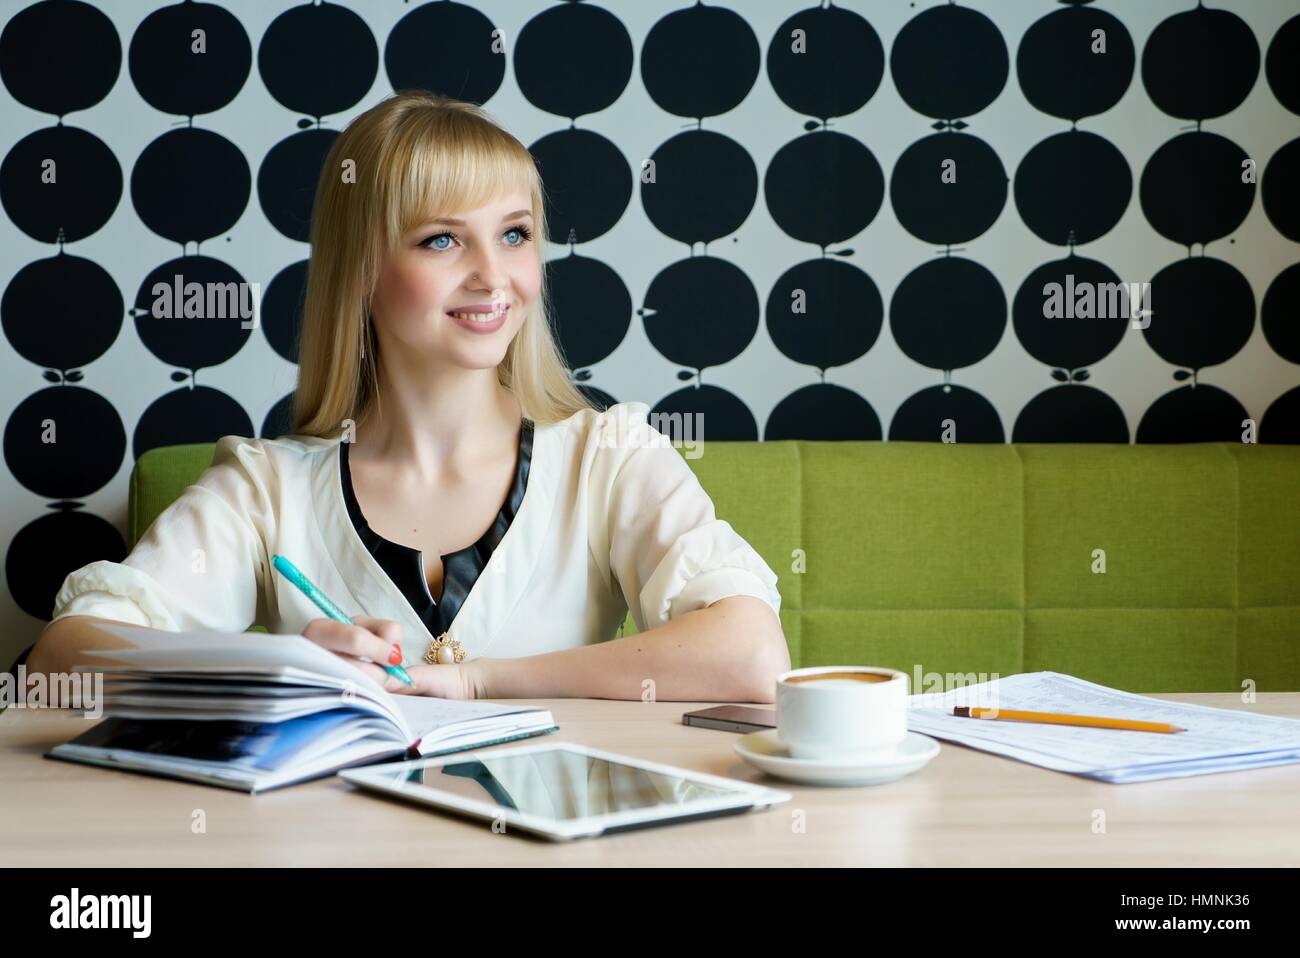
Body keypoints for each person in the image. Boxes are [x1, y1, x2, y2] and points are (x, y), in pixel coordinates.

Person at [23, 91, 787, 704]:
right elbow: (61, 661)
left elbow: (750, 655)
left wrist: (481, 680)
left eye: (515, 234)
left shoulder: (609, 457)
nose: (494, 276)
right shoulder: (267, 488)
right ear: (361, 269)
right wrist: (280, 663)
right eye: (443, 240)